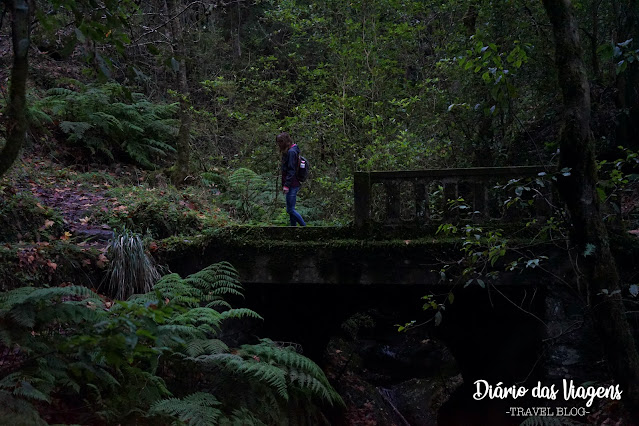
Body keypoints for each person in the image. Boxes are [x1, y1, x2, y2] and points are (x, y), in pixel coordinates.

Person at [277, 132, 306, 226]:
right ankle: (293, 229)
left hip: (292, 184)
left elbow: (291, 170)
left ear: (285, 142)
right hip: (292, 183)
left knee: (290, 210)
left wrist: (286, 185)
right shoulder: (291, 150)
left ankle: (305, 227)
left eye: (280, 142)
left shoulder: (291, 152)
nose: (279, 144)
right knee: (291, 209)